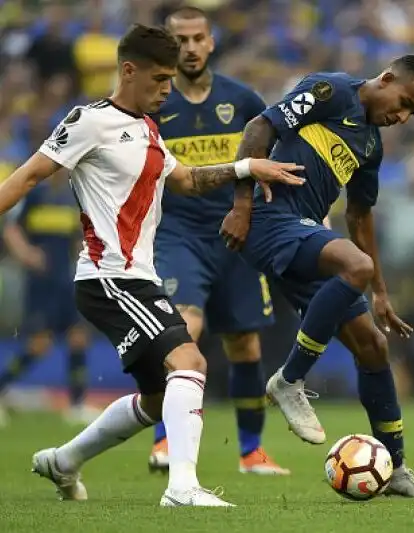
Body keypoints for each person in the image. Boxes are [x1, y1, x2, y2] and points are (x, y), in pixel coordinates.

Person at [0, 24, 303, 507]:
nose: (168, 89)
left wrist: (247, 168)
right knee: (191, 361)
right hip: (109, 277)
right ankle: (182, 487)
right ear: (128, 70)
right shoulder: (89, 121)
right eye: (160, 79)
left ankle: (64, 461)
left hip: (137, 277)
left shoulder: (147, 127)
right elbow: (32, 174)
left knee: (160, 397)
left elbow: (184, 179)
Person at [221, 55, 414, 498]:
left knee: (373, 347)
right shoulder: (330, 90)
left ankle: (395, 467)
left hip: (303, 235)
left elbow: (360, 217)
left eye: (412, 113)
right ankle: (289, 380)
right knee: (354, 264)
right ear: (385, 79)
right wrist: (241, 206)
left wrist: (379, 291)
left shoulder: (371, 148)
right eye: (403, 102)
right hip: (269, 219)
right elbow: (258, 130)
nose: (401, 117)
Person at [148, 6, 289, 476]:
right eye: (180, 40)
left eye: (197, 39)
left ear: (211, 42)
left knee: (245, 345)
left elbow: (271, 157)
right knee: (185, 329)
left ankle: (251, 452)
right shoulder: (153, 103)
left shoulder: (242, 100)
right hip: (177, 234)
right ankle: (165, 441)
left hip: (236, 233)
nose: (189, 48)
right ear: (168, 46)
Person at [0, 170, 97, 426]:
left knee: (78, 338)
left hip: (66, 281)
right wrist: (27, 254)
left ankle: (76, 405)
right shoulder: (35, 195)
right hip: (41, 284)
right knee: (39, 345)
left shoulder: (74, 197)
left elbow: (80, 235)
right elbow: (11, 229)